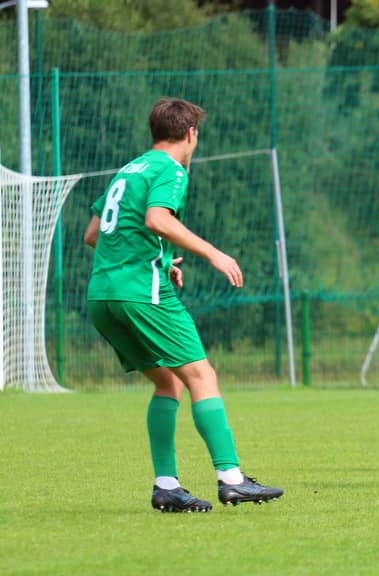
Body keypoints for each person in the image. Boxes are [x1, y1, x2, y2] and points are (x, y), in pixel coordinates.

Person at [84, 97, 283, 513]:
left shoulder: (129, 169)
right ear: (191, 134)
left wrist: (159, 260)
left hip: (103, 296)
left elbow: (93, 234)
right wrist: (213, 253)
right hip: (142, 295)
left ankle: (167, 486)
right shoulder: (170, 169)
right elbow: (157, 219)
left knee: (168, 383)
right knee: (201, 375)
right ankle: (231, 479)